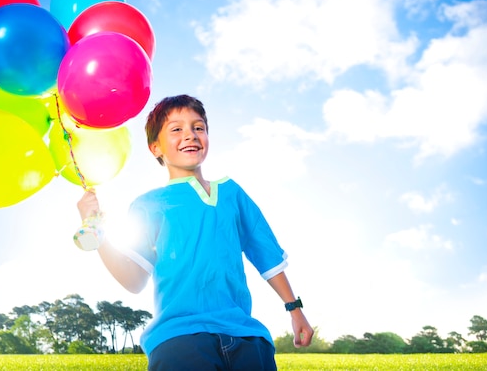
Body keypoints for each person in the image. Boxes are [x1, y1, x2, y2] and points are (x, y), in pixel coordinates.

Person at [75, 94, 313, 370]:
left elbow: (266, 255)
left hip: (246, 336)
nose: (190, 135)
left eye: (198, 127)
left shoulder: (232, 193)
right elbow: (134, 279)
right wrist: (98, 232)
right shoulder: (147, 205)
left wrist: (294, 309)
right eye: (176, 129)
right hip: (179, 340)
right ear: (155, 148)